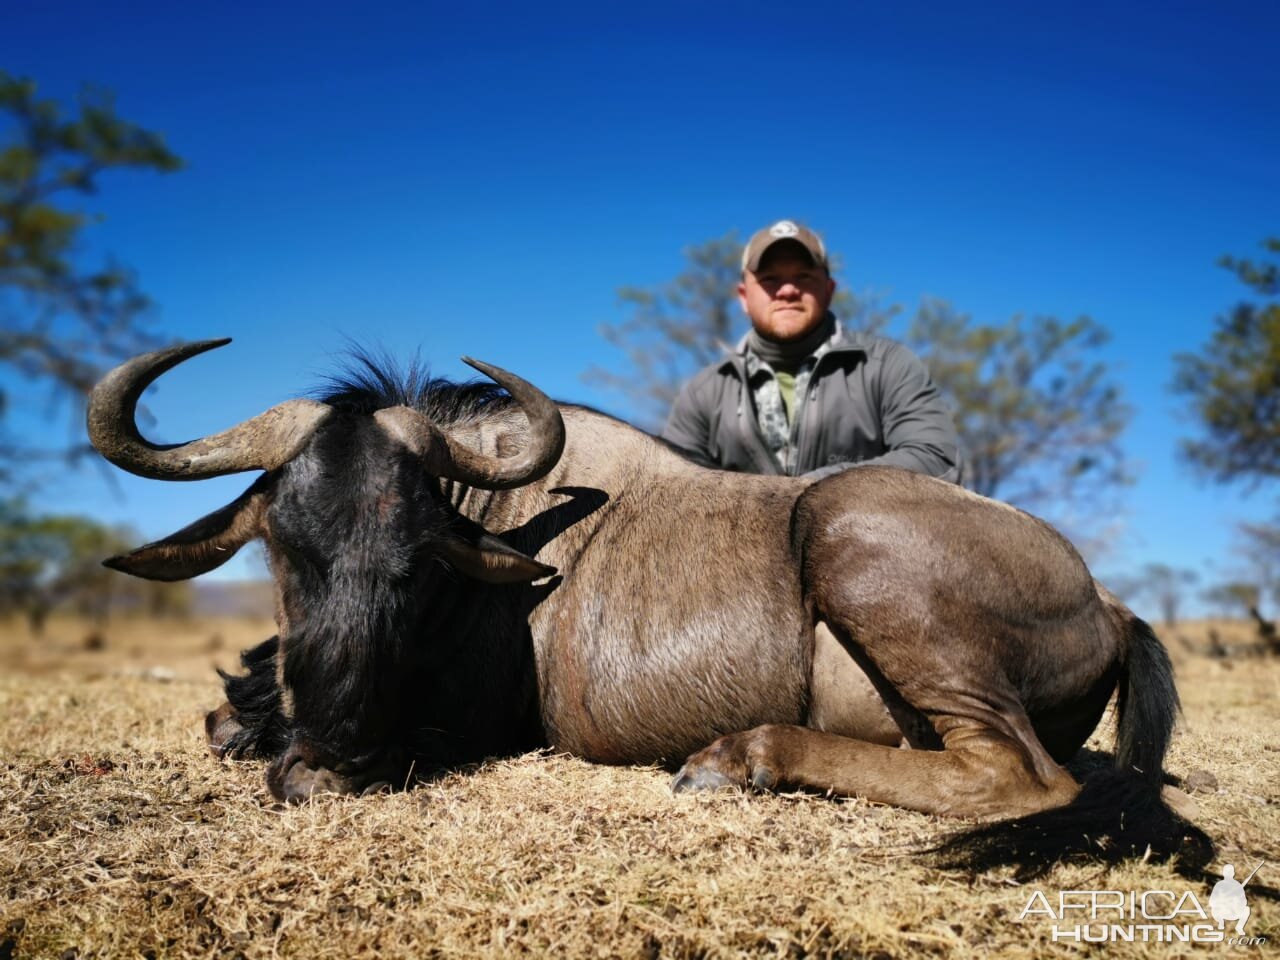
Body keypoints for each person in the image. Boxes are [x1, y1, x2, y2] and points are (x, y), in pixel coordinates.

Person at [662, 219, 963, 482]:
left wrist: (813, 492)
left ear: (829, 290)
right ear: (743, 296)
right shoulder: (703, 393)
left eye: (803, 277)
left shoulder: (888, 366)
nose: (788, 290)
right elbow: (670, 490)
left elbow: (938, 460)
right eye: (770, 279)